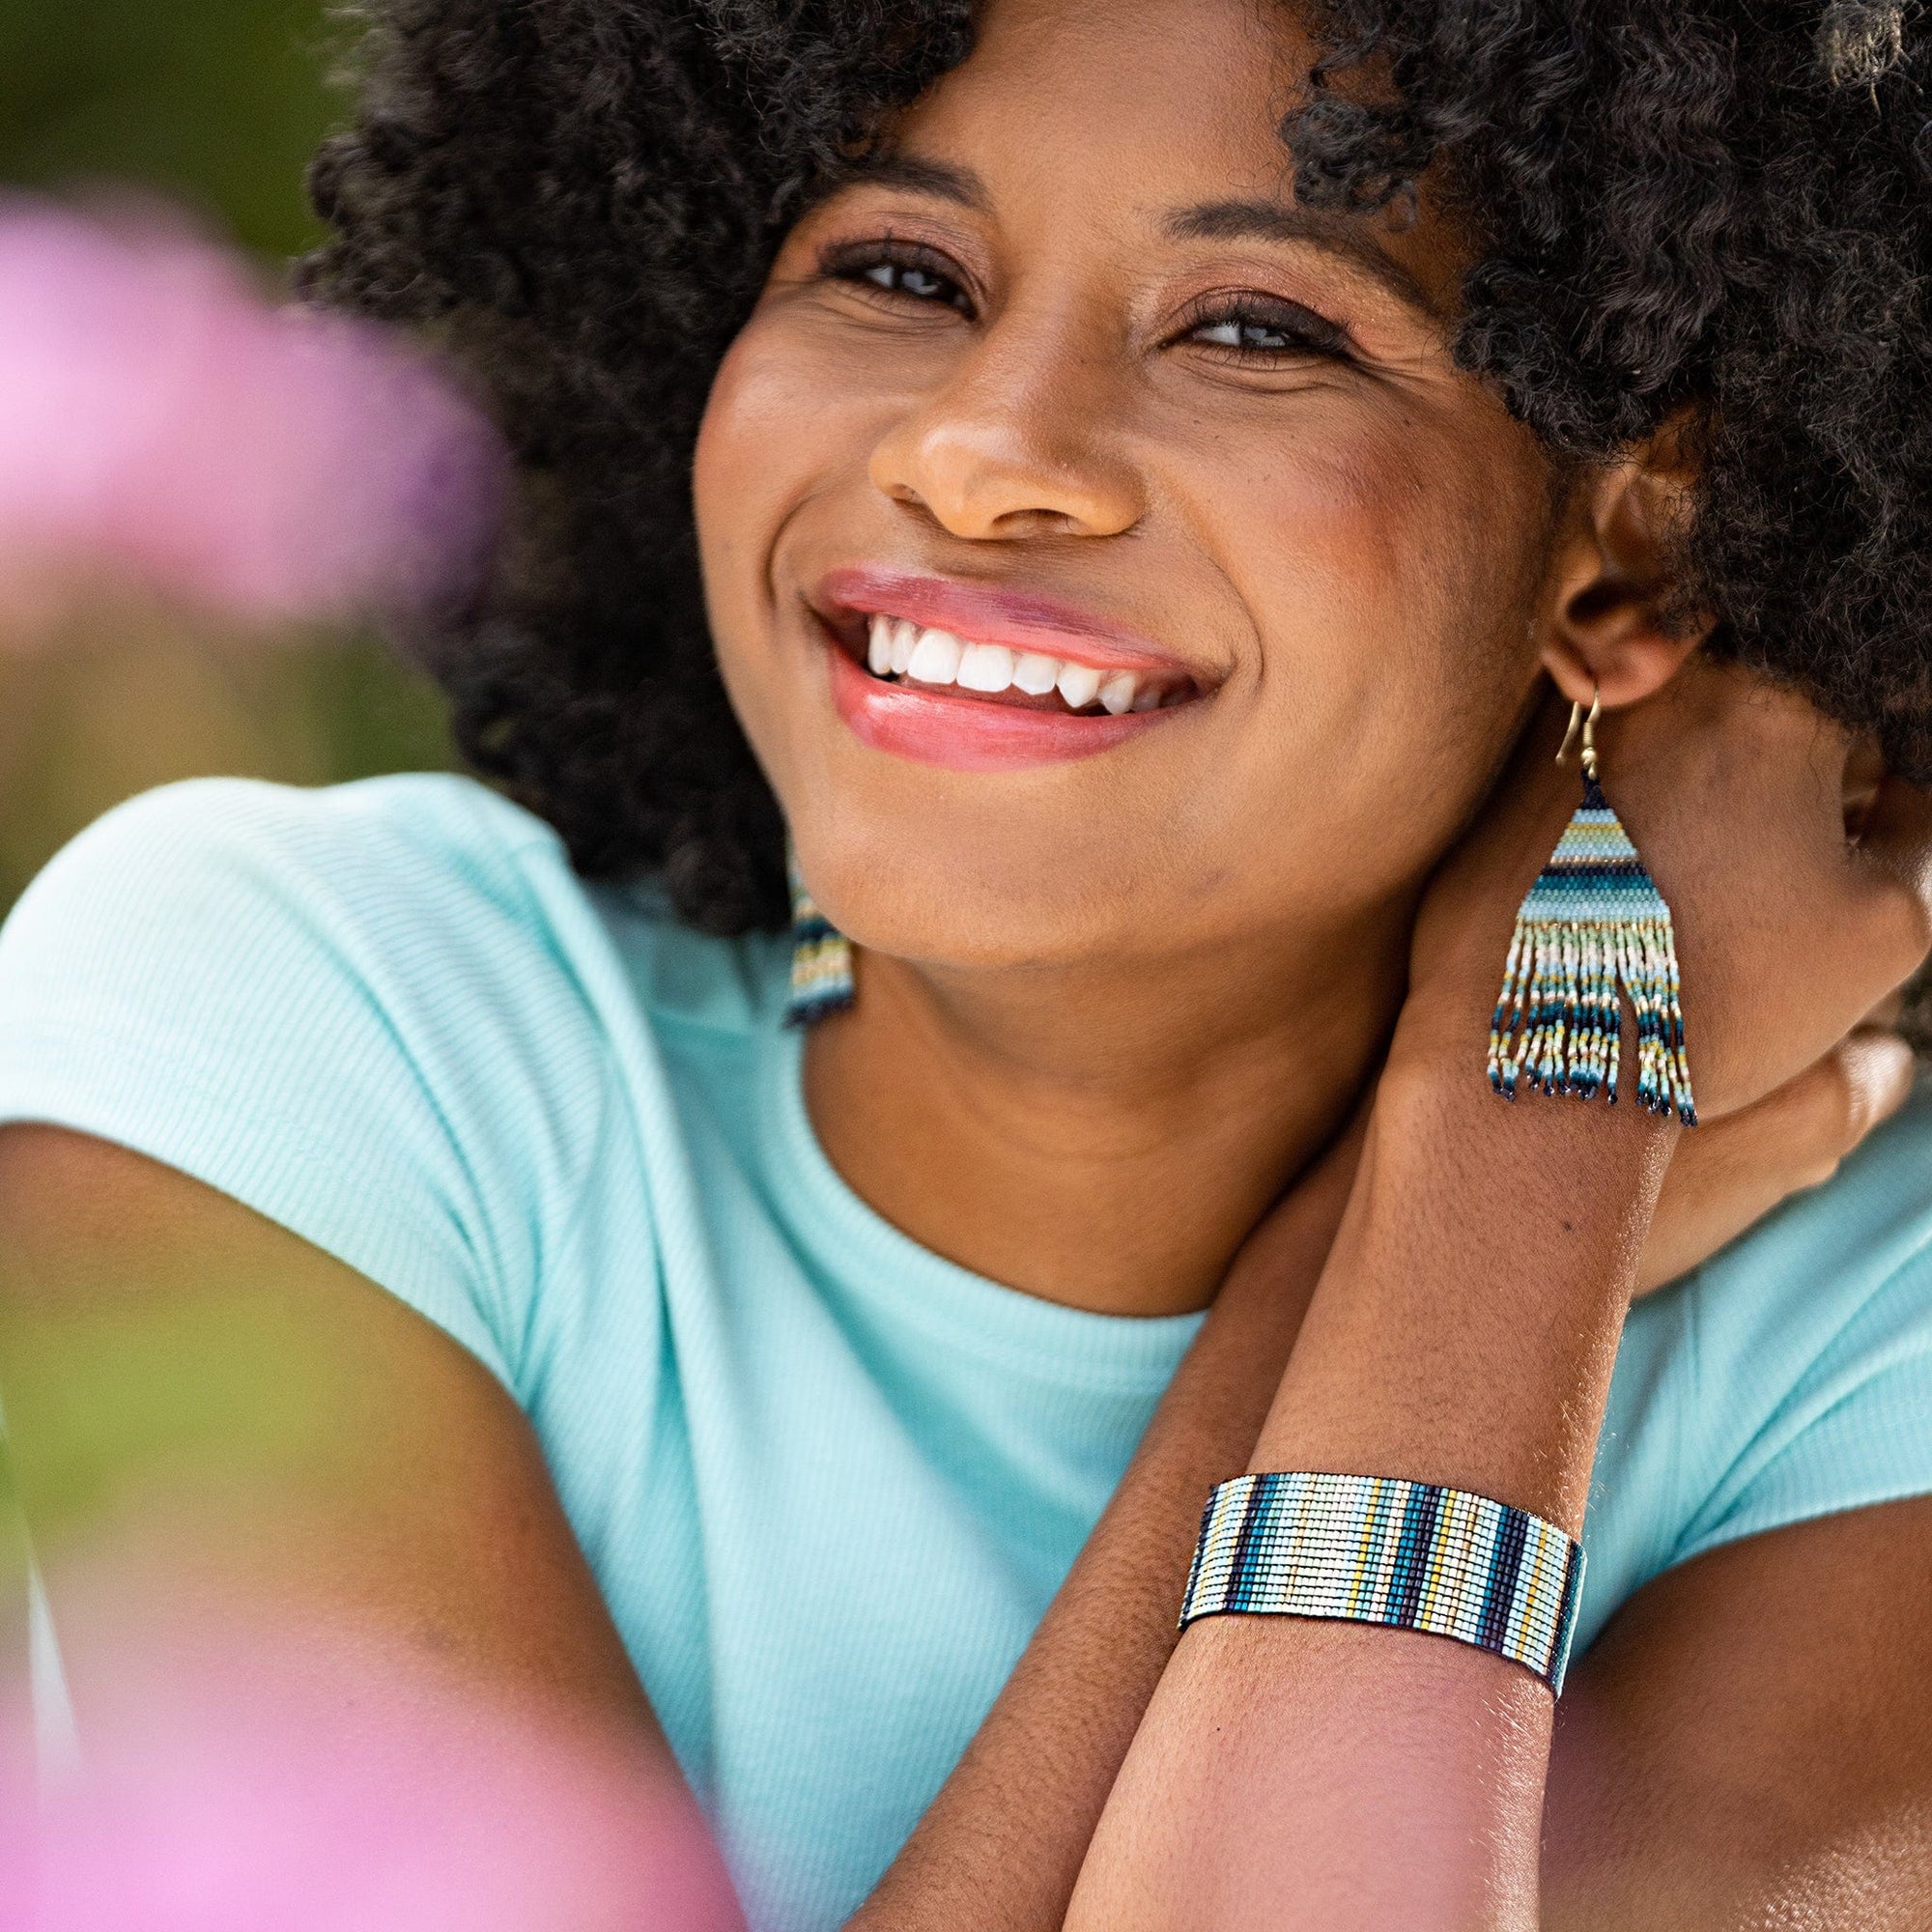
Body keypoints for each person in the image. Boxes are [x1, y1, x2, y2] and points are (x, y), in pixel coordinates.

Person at [5, 0, 1932, 1923]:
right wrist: (1483, 1189)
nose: (983, 453)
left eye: (1256, 329)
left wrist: (1488, 1164)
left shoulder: (1869, 1344)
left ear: (1630, 557)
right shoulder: (309, 1033)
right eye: (899, 270)